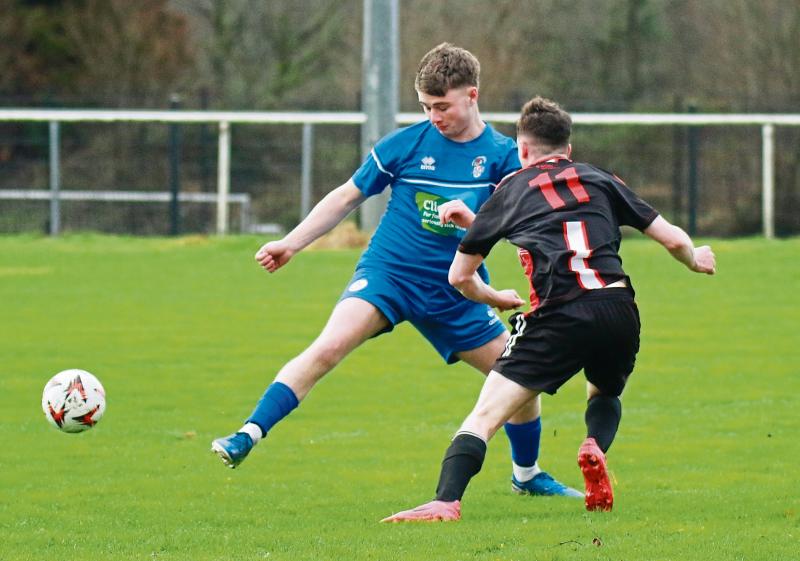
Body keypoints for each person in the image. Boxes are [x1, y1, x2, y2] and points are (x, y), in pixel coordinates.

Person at [211, 45, 579, 498]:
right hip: (391, 274)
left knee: (519, 378)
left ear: (472, 95)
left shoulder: (503, 157)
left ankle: (526, 476)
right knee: (329, 347)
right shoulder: (407, 144)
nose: (434, 116)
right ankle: (248, 433)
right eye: (426, 106)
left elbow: (529, 217)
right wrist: (292, 242)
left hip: (457, 290)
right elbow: (347, 196)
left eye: (442, 106)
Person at [382, 96, 716, 522]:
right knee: (605, 391)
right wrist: (695, 259)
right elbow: (671, 239)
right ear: (568, 150)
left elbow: (459, 277)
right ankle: (594, 443)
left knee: (484, 416)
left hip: (558, 314)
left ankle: (446, 501)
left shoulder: (509, 190)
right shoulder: (599, 178)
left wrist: (495, 298)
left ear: (522, 151)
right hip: (617, 307)